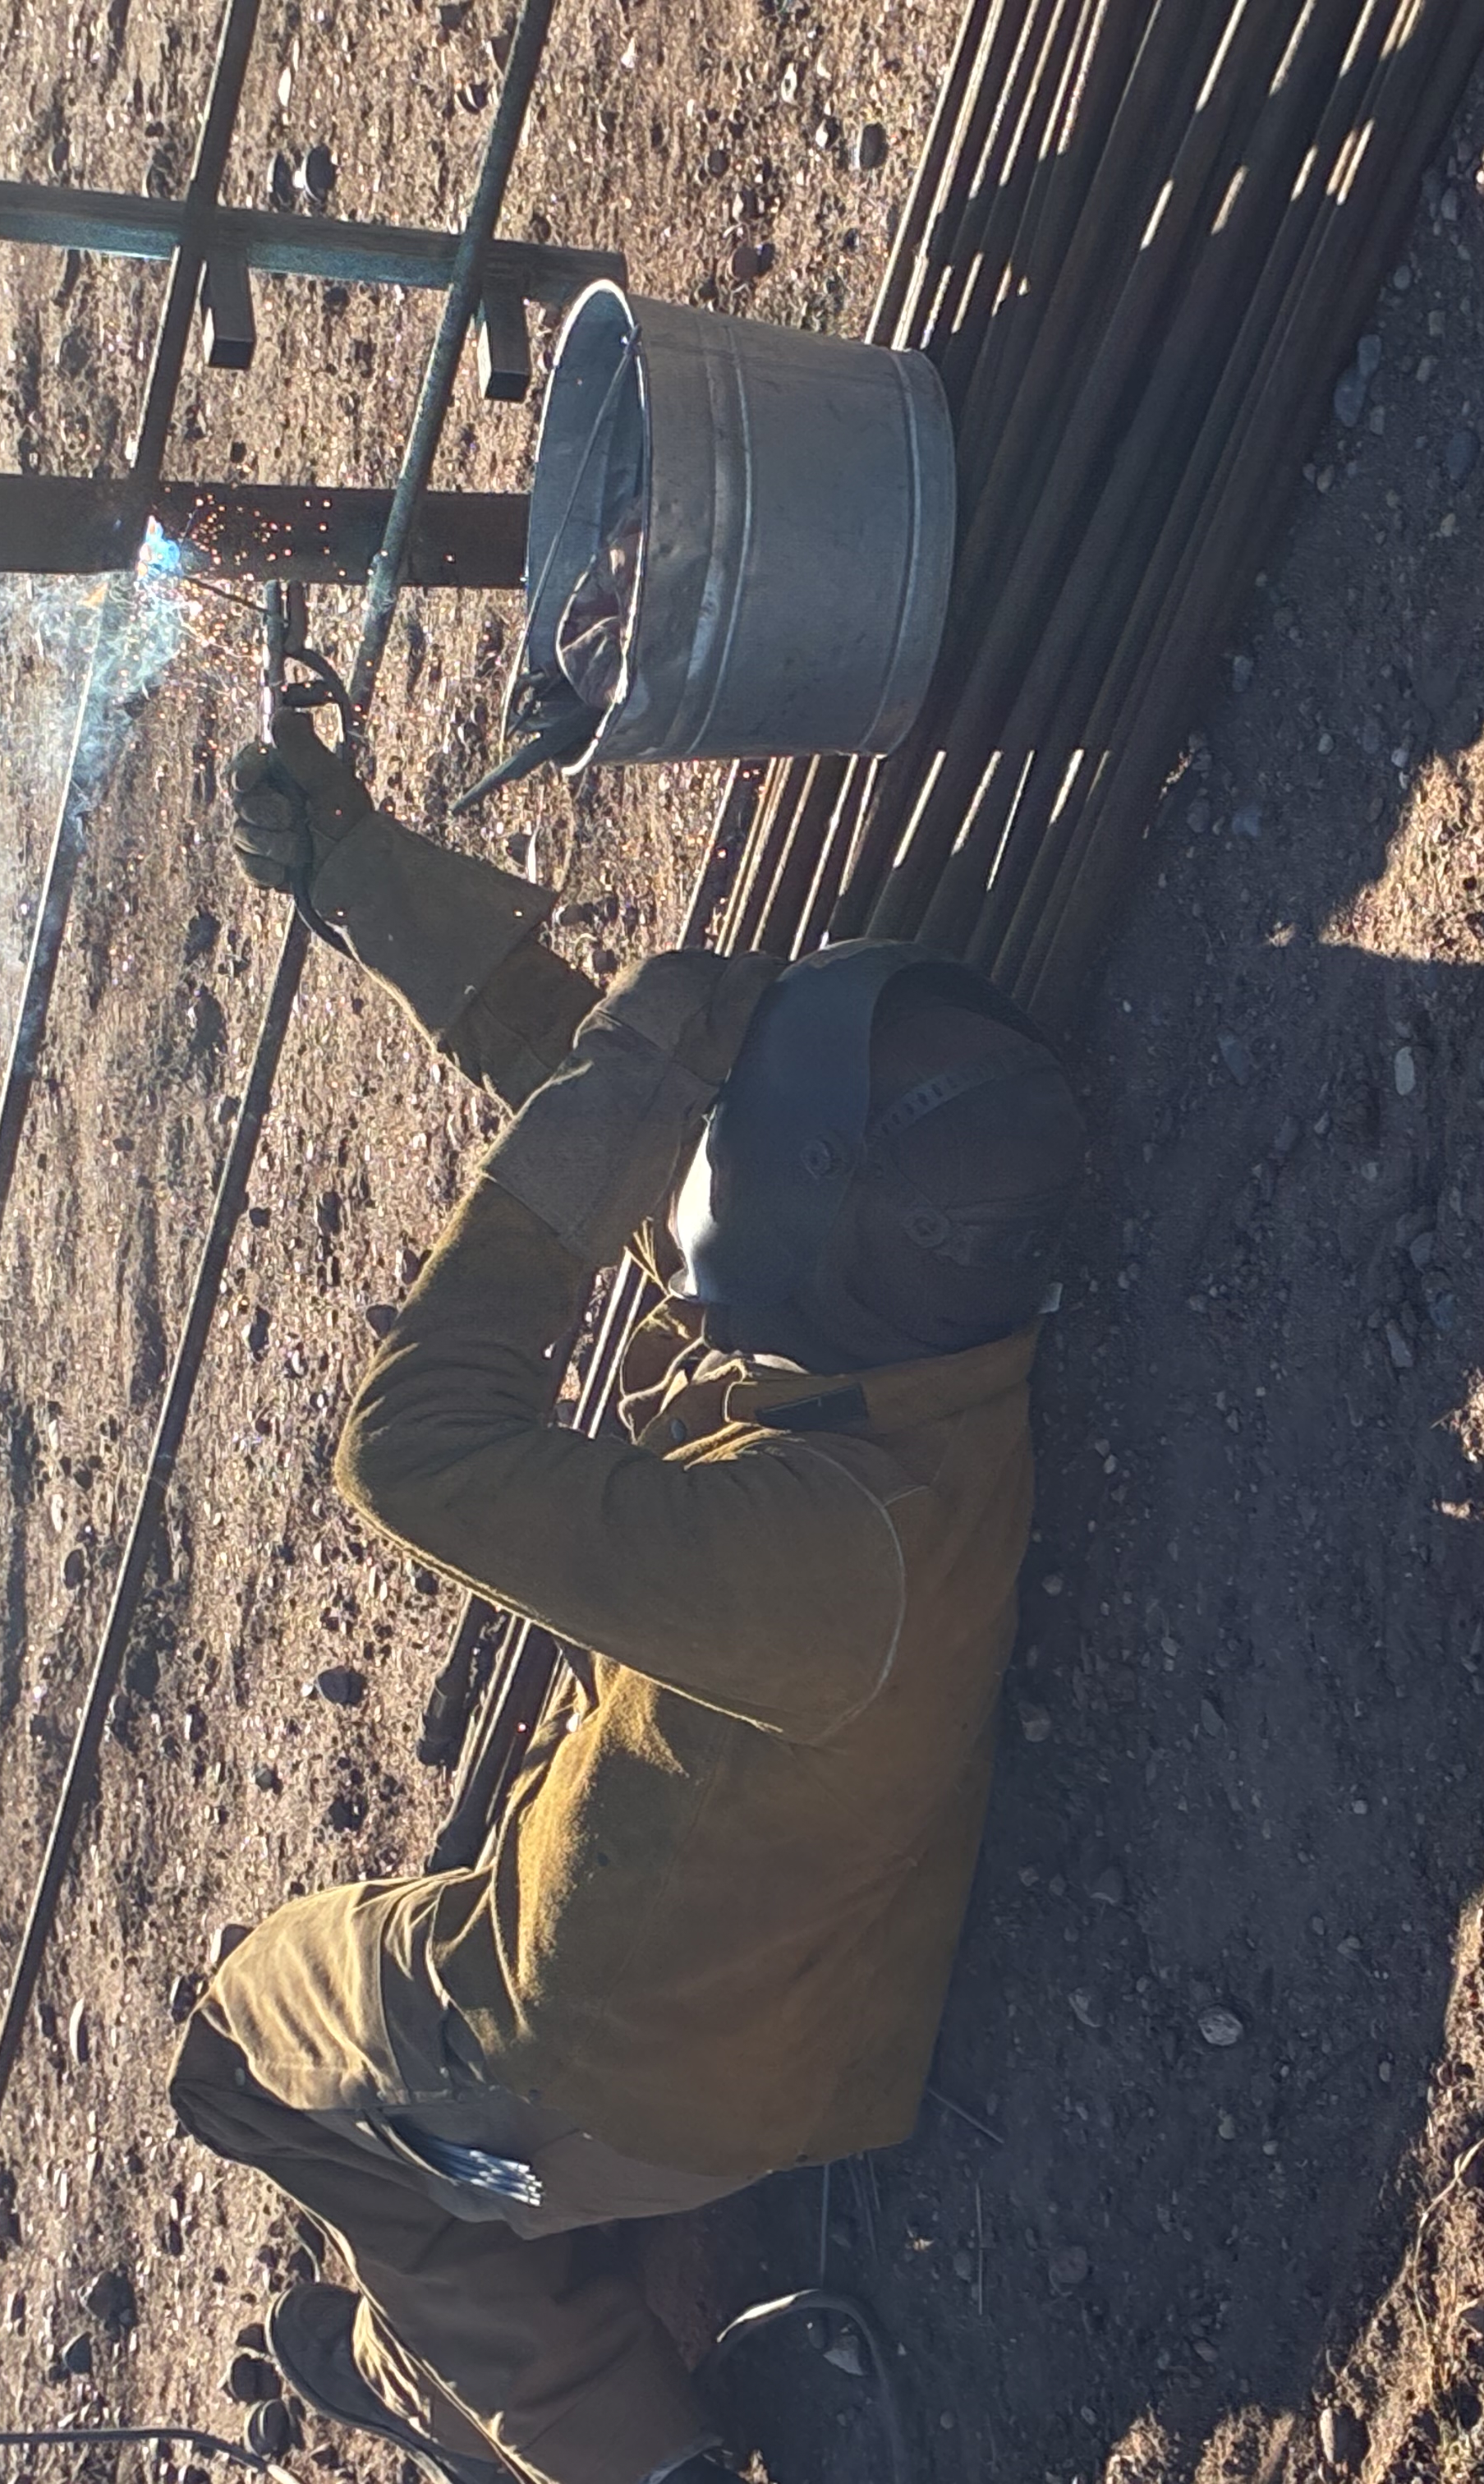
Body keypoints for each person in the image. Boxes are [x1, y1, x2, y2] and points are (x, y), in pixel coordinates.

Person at [165, 711, 1085, 2484]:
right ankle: (442, 2316)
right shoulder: (909, 1362)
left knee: (234, 2046)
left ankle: (602, 2438)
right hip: (808, 2007)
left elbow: (413, 1449)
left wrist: (642, 1079)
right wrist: (365, 874)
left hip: (618, 2065)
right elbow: (622, 1144)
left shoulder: (812, 1569)